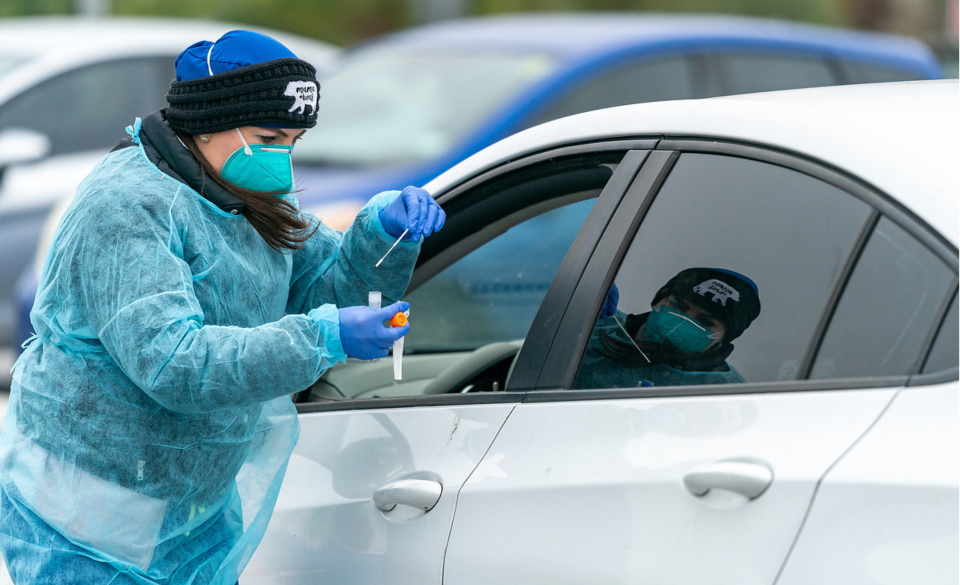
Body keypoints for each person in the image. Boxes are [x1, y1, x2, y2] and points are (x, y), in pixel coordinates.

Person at [0, 30, 444, 584]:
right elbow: (173, 362)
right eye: (270, 137)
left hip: (190, 511)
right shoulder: (127, 207)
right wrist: (323, 338)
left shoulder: (243, 197)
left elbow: (326, 289)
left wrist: (381, 233)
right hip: (89, 515)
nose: (282, 158)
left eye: (294, 141)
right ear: (209, 123)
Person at [575, 267, 761, 389]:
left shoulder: (723, 394)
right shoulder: (591, 332)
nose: (683, 321)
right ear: (660, 299)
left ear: (723, 337)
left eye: (706, 322)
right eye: (679, 307)